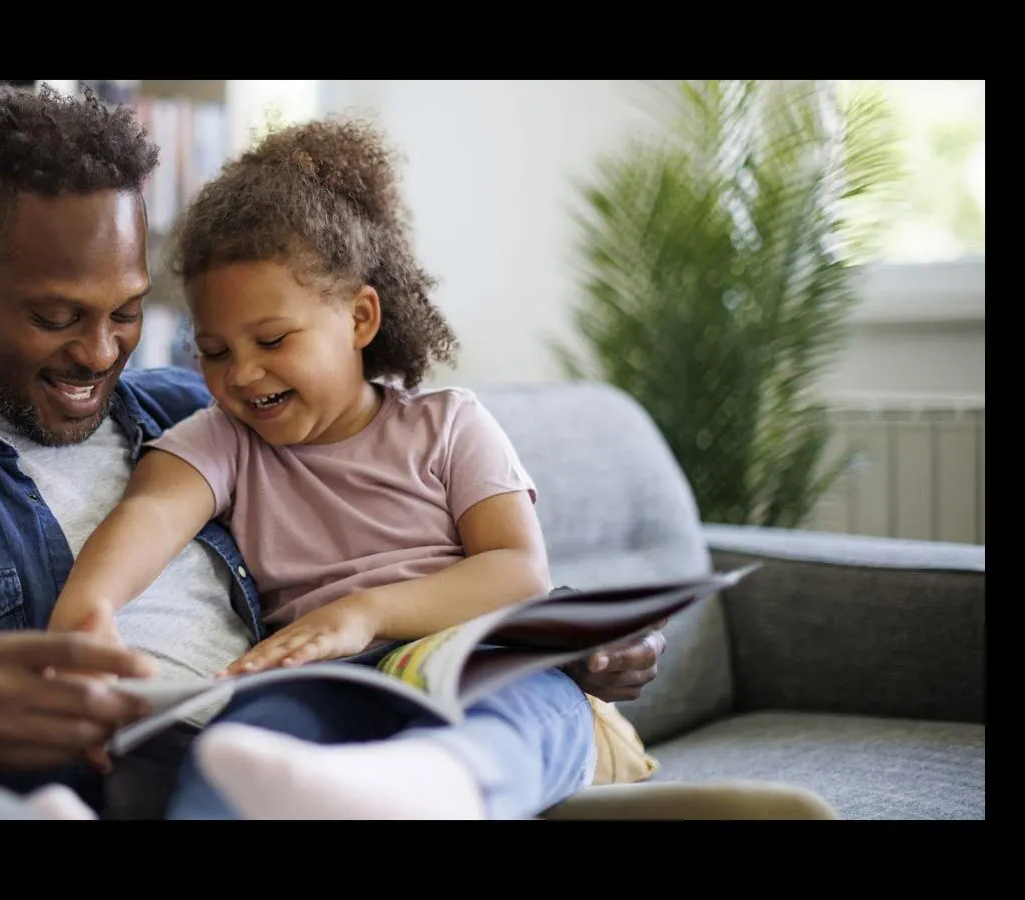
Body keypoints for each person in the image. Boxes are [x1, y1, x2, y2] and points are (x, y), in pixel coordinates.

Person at [0, 83, 674, 820]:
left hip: (334, 743)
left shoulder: (199, 407)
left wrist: (586, 640)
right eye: (58, 316)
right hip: (170, 767)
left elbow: (474, 557)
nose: (99, 354)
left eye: (127, 313)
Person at [41, 115, 608, 820]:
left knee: (539, 707)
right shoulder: (228, 441)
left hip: (469, 667)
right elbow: (150, 513)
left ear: (360, 318)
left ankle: (446, 789)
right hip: (326, 685)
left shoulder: (450, 425)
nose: (243, 374)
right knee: (239, 744)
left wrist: (362, 613)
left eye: (272, 339)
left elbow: (518, 571)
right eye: (213, 352)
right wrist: (85, 613)